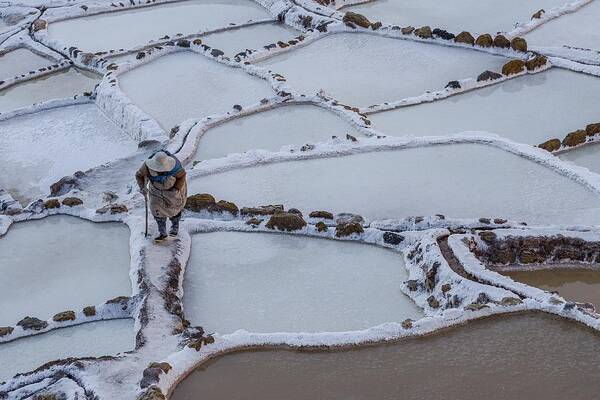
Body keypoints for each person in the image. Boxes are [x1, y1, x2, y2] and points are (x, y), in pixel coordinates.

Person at [136, 150, 187, 242]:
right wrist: (142, 187)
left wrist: (176, 188)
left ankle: (175, 227)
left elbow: (182, 175)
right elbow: (139, 175)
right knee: (157, 210)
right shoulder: (147, 166)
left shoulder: (175, 166)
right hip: (156, 190)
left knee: (174, 209)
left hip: (172, 190)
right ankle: (162, 232)